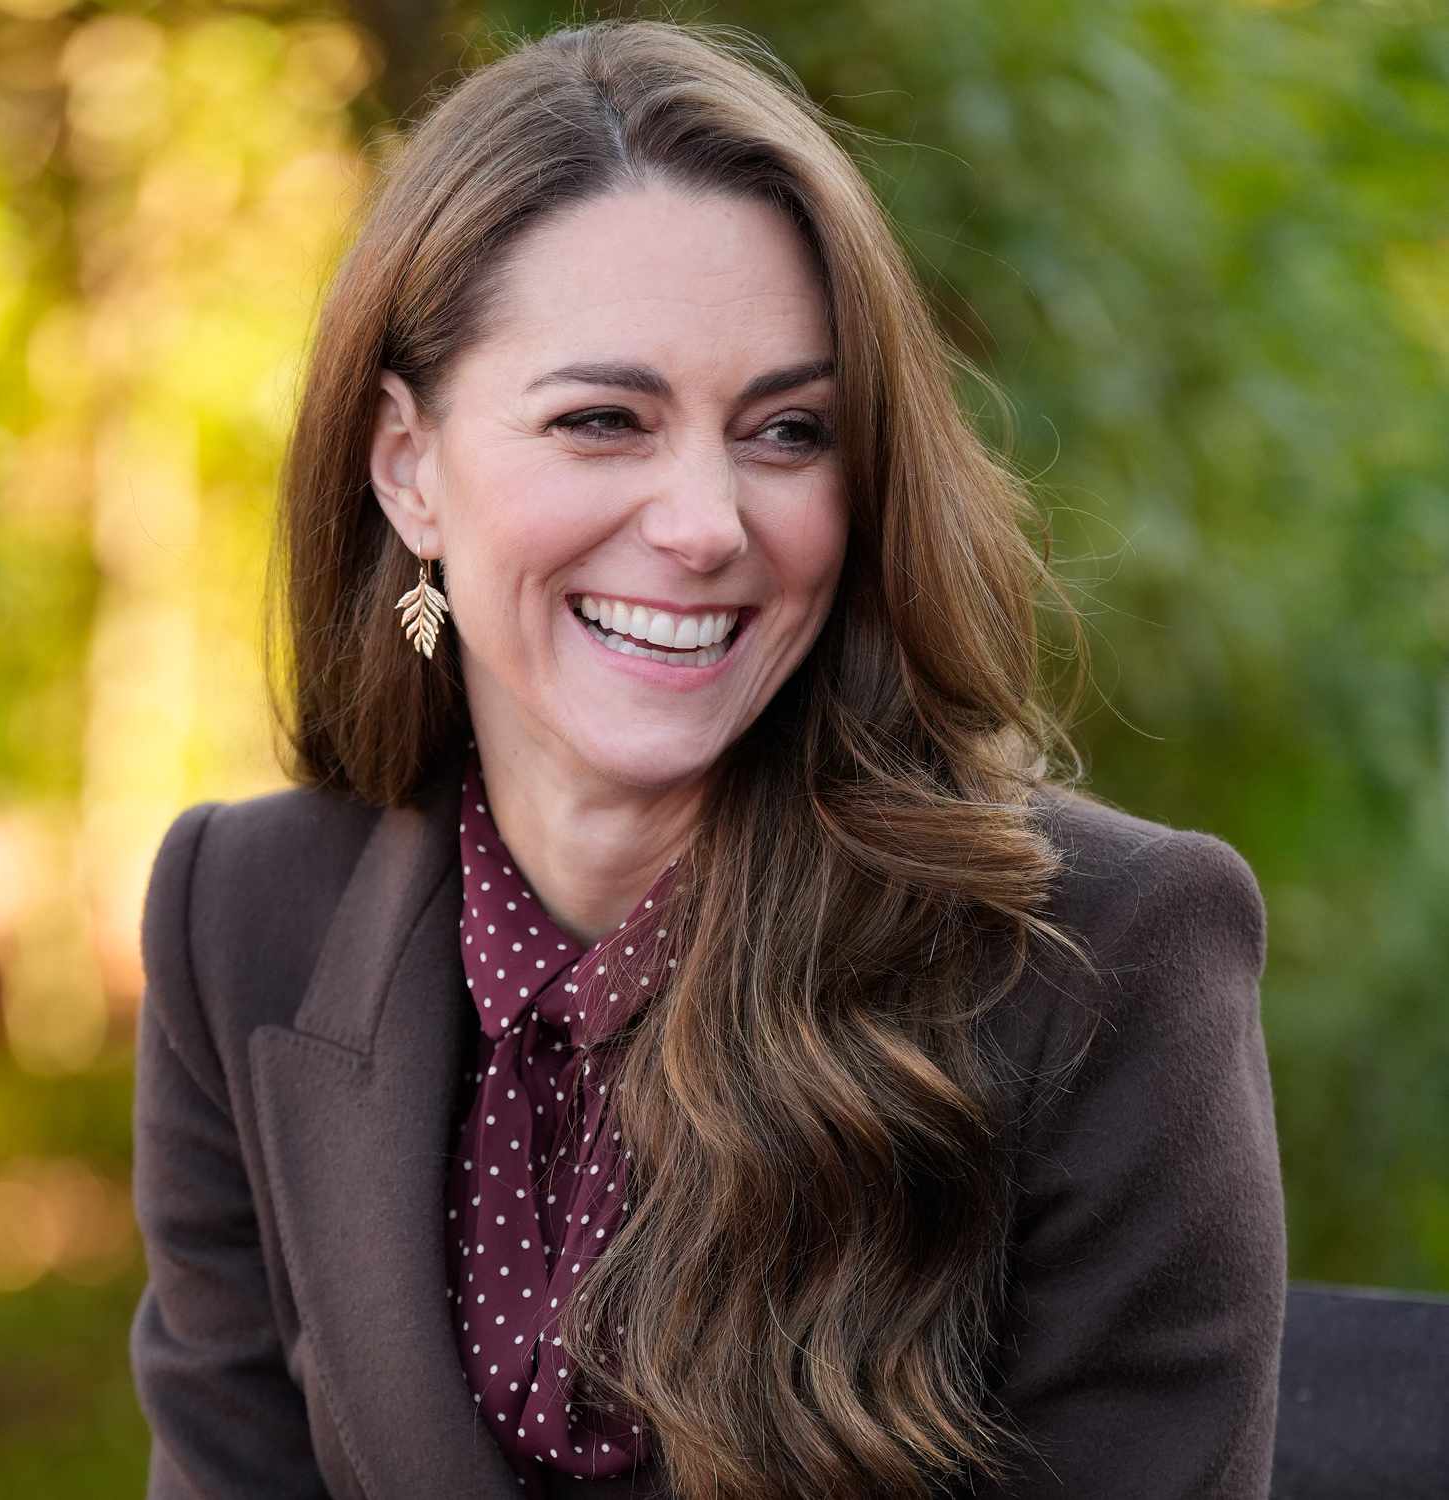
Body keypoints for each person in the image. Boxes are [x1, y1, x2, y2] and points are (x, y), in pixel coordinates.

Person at [127, 18, 1287, 1500]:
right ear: (407, 465)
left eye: (787, 431)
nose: (705, 523)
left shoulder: (1105, 962)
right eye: (603, 421)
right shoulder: (243, 918)